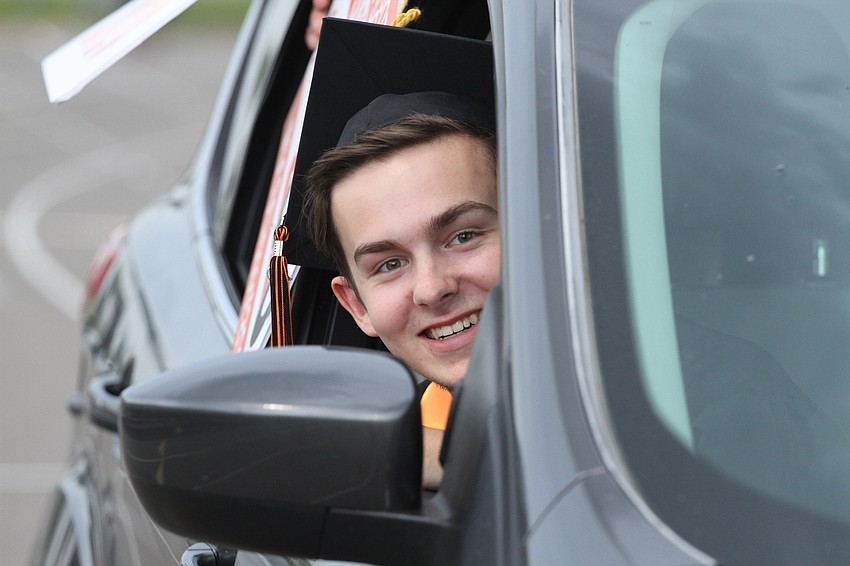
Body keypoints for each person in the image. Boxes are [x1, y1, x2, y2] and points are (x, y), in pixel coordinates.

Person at [303, 92, 498, 488]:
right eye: (390, 264)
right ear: (357, 306)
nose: (432, 288)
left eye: (463, 236)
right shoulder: (368, 486)